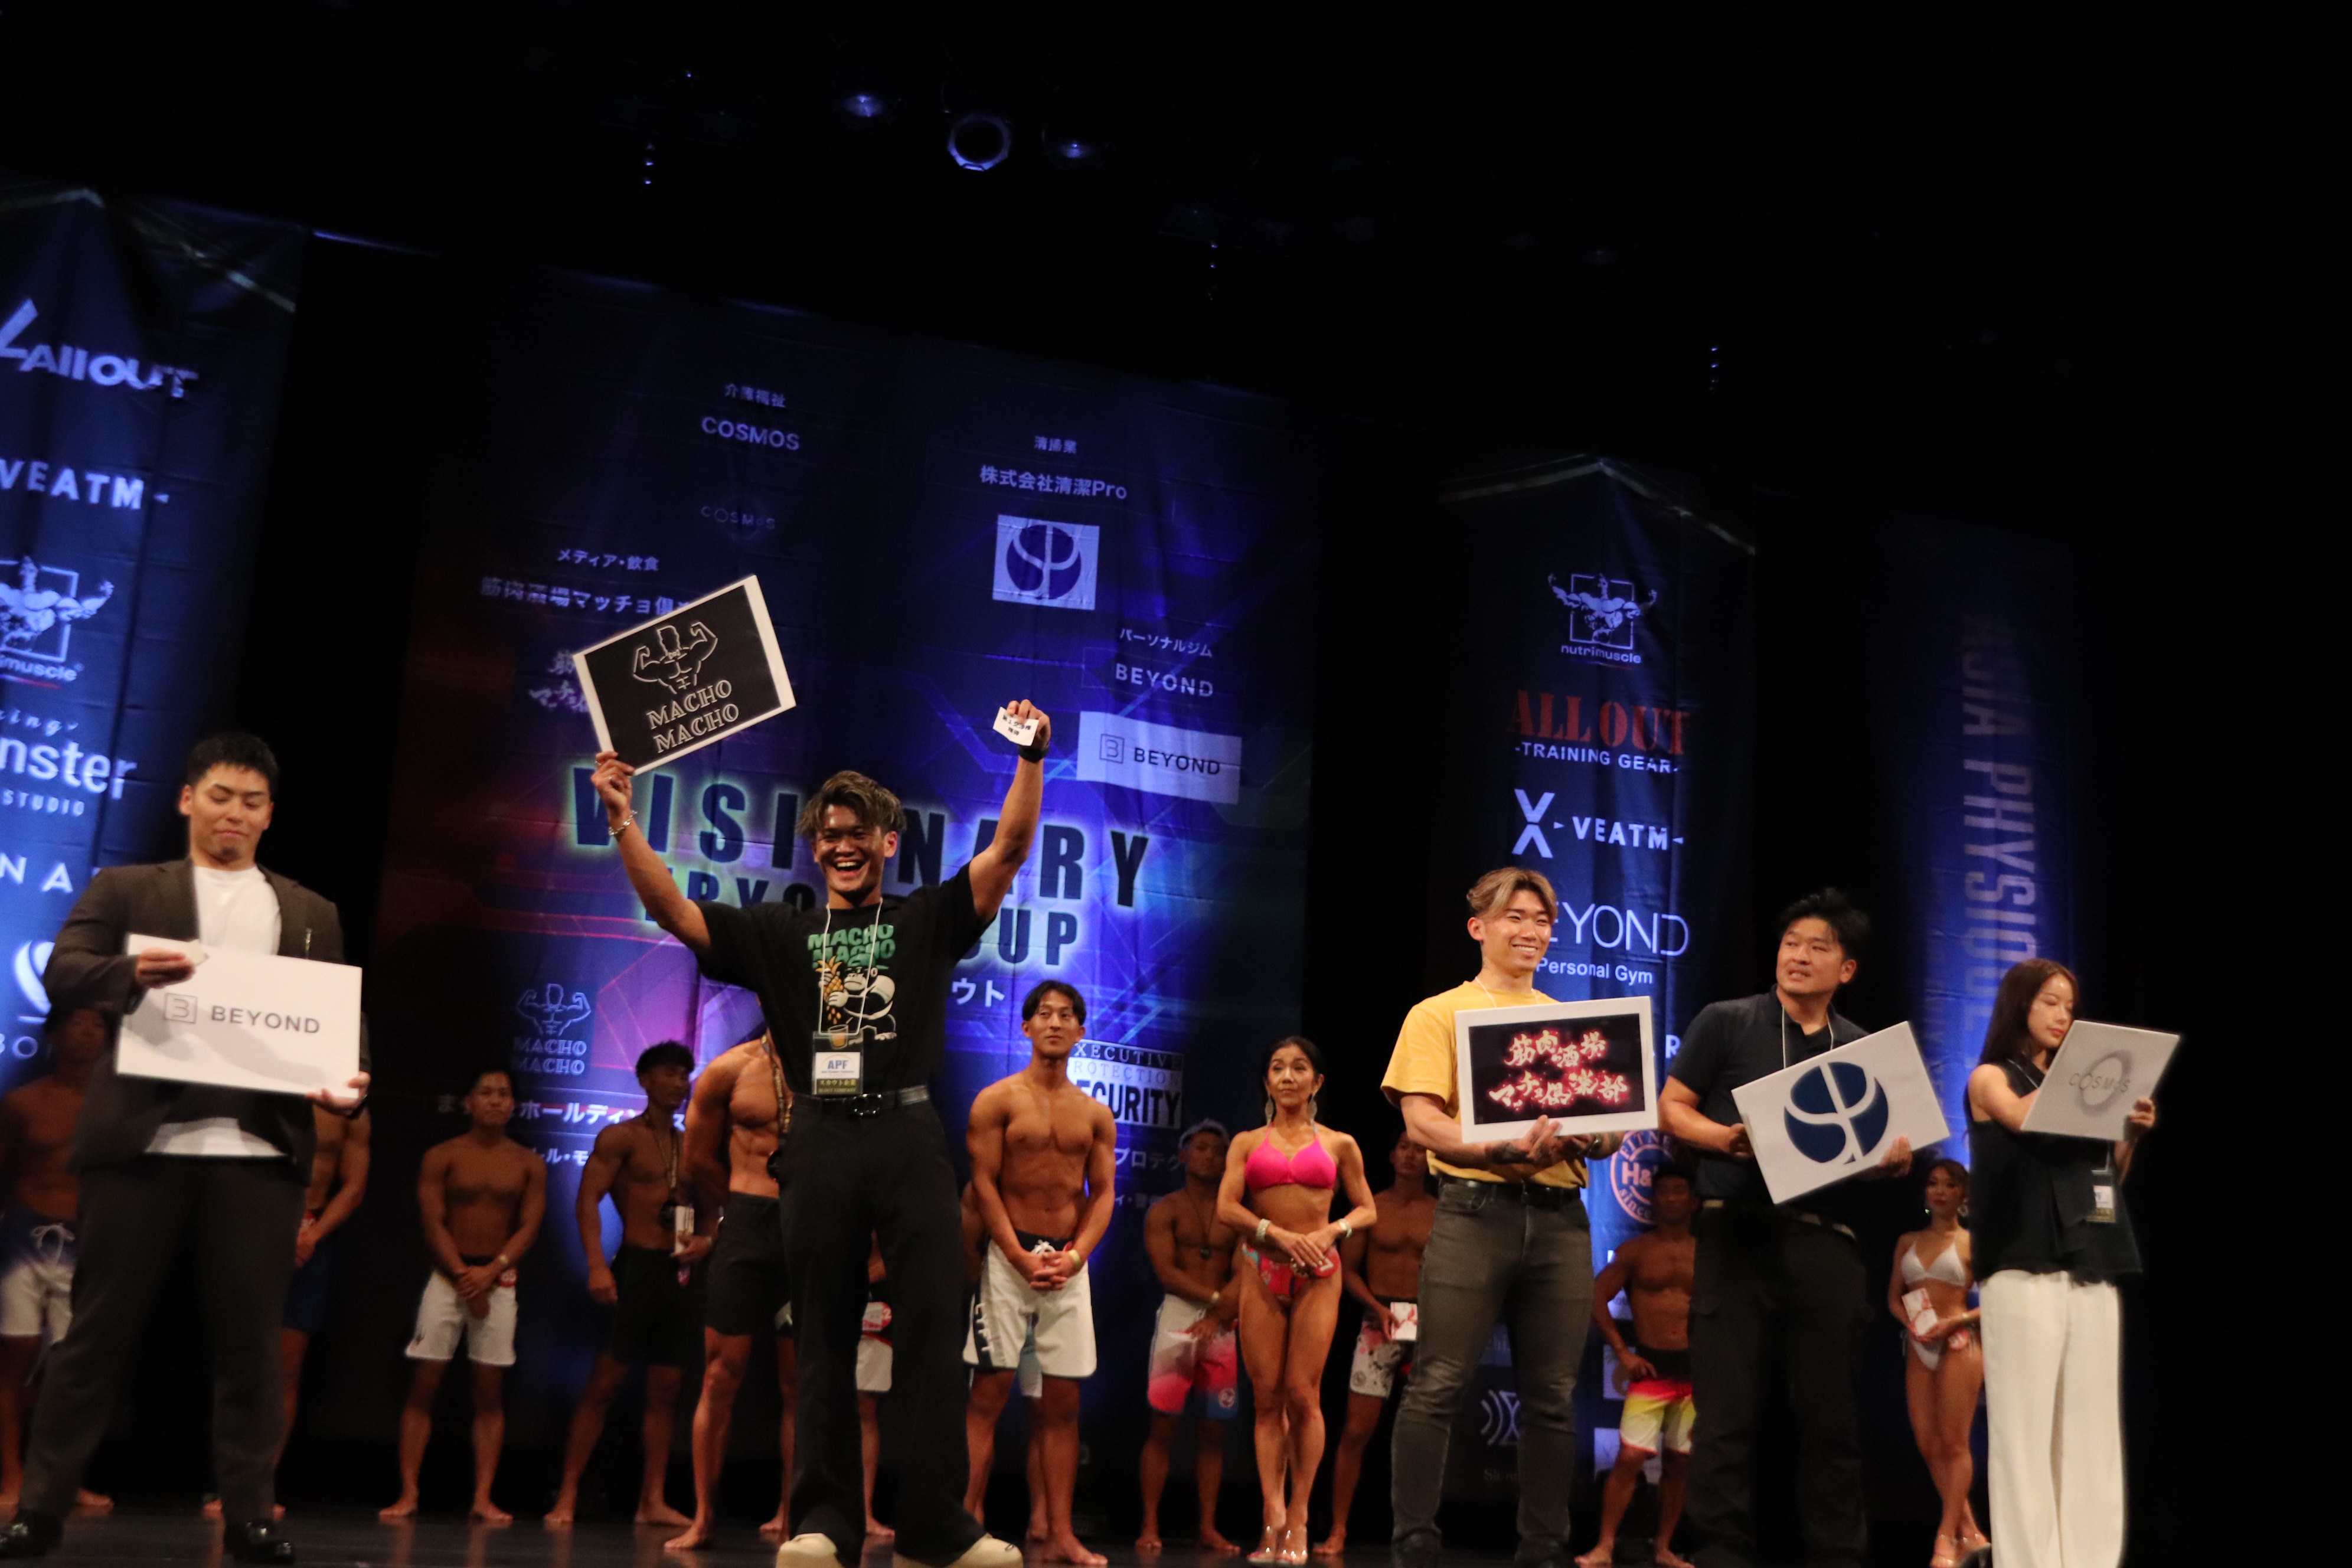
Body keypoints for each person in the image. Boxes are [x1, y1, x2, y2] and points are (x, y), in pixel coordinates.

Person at [590, 699, 1053, 1568]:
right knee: (822, 1337)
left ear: (888, 842)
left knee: (930, 1328)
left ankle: (936, 1529)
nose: (843, 845)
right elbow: (675, 912)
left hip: (909, 1132)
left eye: (859, 833)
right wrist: (623, 820)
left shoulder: (922, 920)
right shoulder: (782, 932)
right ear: (815, 849)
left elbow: (1009, 850)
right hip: (822, 1137)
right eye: (830, 835)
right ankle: (824, 1522)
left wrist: (1031, 760)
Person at [3, 731, 368, 1567]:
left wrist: (350, 1080)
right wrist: (130, 976)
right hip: (143, 1142)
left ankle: (250, 1517)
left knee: (252, 1346)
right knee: (95, 1336)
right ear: (188, 800)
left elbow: (338, 1020)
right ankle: (40, 1510)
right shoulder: (129, 888)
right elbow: (64, 970)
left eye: (251, 801)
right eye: (220, 796)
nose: (234, 812)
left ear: (269, 815)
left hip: (258, 1150)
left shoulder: (310, 911)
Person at [1657, 888, 1912, 1568]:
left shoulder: (1863, 1051)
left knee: (1831, 1416)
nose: (1798, 955)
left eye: (1817, 947)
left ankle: (1836, 1553)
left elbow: (1867, 1154)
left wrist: (1889, 1163)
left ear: (1846, 969)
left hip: (1824, 1238)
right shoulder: (1728, 1020)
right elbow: (1672, 1107)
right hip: (1735, 1230)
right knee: (1725, 1410)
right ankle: (1721, 1551)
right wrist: (1723, 1138)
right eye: (1790, 942)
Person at [1380, 867, 1623, 1568]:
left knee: (1552, 1396)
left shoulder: (1567, 1022)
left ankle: (1544, 1544)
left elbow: (1611, 1128)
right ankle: (1414, 1539)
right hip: (1473, 1211)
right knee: (1438, 1383)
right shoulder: (1439, 1013)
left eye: (1542, 920)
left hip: (1561, 1219)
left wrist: (1591, 1137)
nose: (1530, 930)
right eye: (1515, 916)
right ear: (1478, 927)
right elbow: (1422, 1120)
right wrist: (1497, 1147)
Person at [1966, 959, 2155, 1568]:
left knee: (2092, 1430)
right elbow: (2023, 1119)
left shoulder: (2082, 1089)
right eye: (2050, 1001)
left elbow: (2109, 1176)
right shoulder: (1992, 1077)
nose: (2062, 1015)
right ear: (2019, 1004)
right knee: (2025, 1432)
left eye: (2070, 1006)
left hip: (2092, 1260)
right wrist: (2093, 1088)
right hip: (2024, 1267)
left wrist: (2126, 1131)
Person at [965, 981, 1118, 1567]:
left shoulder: (1095, 1113)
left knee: (1063, 1404)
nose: (1055, 1022)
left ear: (1081, 1031)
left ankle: (1061, 1534)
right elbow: (983, 1183)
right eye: (1044, 1014)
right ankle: (967, 1522)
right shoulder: (996, 1100)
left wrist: (1075, 1257)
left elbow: (1104, 1194)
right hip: (1009, 1261)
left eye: (1066, 1015)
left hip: (1067, 1263)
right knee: (989, 1395)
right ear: (1026, 1027)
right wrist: (1015, 1253)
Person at [1217, 1037, 1378, 1567]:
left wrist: (1332, 1231)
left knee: (1302, 1396)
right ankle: (1272, 1515)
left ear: (1317, 1082)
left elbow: (1367, 1209)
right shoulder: (1246, 1143)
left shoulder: (1340, 1144)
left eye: (1299, 1068)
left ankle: (1302, 1514)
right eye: (1277, 1068)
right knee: (1267, 1400)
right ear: (1267, 1082)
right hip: (1262, 1269)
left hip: (1319, 1274)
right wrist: (1276, 1234)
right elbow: (1227, 1207)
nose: (1288, 1077)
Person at [549, 1041, 709, 1529]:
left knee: (668, 1389)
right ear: (644, 1080)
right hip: (635, 1266)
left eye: (684, 1075)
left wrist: (708, 1239)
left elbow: (721, 1204)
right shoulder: (620, 1137)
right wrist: (597, 1265)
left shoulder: (692, 1146)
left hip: (679, 1274)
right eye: (669, 1073)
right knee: (604, 1384)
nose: (679, 1083)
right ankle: (567, 1495)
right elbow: (587, 1200)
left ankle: (652, 1501)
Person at [381, 1067, 547, 1524]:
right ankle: (409, 1492)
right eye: (486, 1093)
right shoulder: (443, 1155)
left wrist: (492, 1270)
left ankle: (483, 1498)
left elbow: (529, 1225)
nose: (495, 1100)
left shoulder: (528, 1163)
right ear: (468, 1102)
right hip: (447, 1277)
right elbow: (432, 1221)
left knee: (489, 1392)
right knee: (425, 1384)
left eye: (504, 1094)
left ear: (513, 1104)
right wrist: (461, 1275)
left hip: (498, 1279)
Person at [665, 1026, 796, 1549]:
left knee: (801, 1383)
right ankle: (703, 1518)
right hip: (746, 1222)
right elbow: (696, 1156)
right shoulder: (730, 1069)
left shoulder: (837, 1068)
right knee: (721, 1375)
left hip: (807, 1229)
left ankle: (792, 1515)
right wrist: (737, 1211)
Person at [0, 1007, 113, 1514]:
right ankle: (12, 1476)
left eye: (98, 1025)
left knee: (71, 1366)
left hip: (85, 1240)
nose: (88, 1033)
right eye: (77, 1023)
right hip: (23, 1235)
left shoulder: (115, 1109)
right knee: (15, 1354)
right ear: (54, 1033)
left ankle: (63, 1479)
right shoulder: (22, 1101)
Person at [1317, 1132, 1432, 1559]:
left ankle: (1418, 1531)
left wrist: (1436, 1316)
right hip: (1377, 1320)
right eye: (1404, 1147)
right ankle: (1338, 1530)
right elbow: (1347, 1270)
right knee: (1356, 1431)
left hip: (1427, 1324)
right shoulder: (1372, 1208)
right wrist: (1376, 1308)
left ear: (1431, 1159)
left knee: (1426, 1435)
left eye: (1420, 1149)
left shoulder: (1441, 1212)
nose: (1411, 1155)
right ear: (1392, 1155)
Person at [1581, 1162, 1700, 1568]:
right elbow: (1596, 1298)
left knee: (1680, 1462)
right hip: (1651, 1367)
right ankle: (1605, 1546)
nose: (1671, 1197)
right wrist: (1624, 1352)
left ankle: (1663, 1548)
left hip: (1693, 1371)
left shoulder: (1707, 1255)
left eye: (1679, 1190)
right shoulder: (1635, 1251)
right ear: (1653, 1199)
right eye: (1664, 1190)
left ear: (1694, 1201)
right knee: (1631, 1458)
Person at [1138, 1121, 1242, 1556]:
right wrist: (1214, 1301)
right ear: (1183, 1156)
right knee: (1163, 1425)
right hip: (1179, 1315)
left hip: (1222, 1324)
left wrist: (1217, 1314)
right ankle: (1150, 1524)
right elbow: (1167, 1272)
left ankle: (1208, 1528)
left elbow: (1245, 1271)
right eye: (1201, 1148)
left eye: (1218, 1150)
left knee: (1214, 1430)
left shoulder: (1235, 1214)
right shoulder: (1166, 1210)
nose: (1210, 1156)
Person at [1886, 1159, 1986, 1567]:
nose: (1940, 1191)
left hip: (1959, 1342)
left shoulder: (1973, 1243)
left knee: (1954, 1443)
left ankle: (1946, 1537)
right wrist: (1911, 1323)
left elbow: (1995, 1301)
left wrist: (1957, 1322)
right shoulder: (1907, 1241)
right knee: (1928, 1444)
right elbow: (1894, 1297)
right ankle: (1971, 1533)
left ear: (1964, 1194)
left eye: (1950, 1184)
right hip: (1920, 1342)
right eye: (1933, 1183)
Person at [858, 1235, 894, 1541]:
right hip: (828, 1288)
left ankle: (863, 1511)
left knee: (864, 1406)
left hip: (876, 1296)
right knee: (818, 1400)